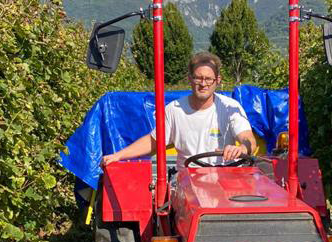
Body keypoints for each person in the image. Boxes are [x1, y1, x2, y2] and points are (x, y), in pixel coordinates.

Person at [100, 52, 258, 169]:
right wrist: (117, 155)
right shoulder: (174, 110)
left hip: (225, 177)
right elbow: (154, 142)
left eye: (208, 79)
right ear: (190, 79)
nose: (203, 84)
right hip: (188, 180)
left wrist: (241, 148)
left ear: (217, 81)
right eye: (198, 78)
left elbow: (248, 139)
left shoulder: (230, 107)